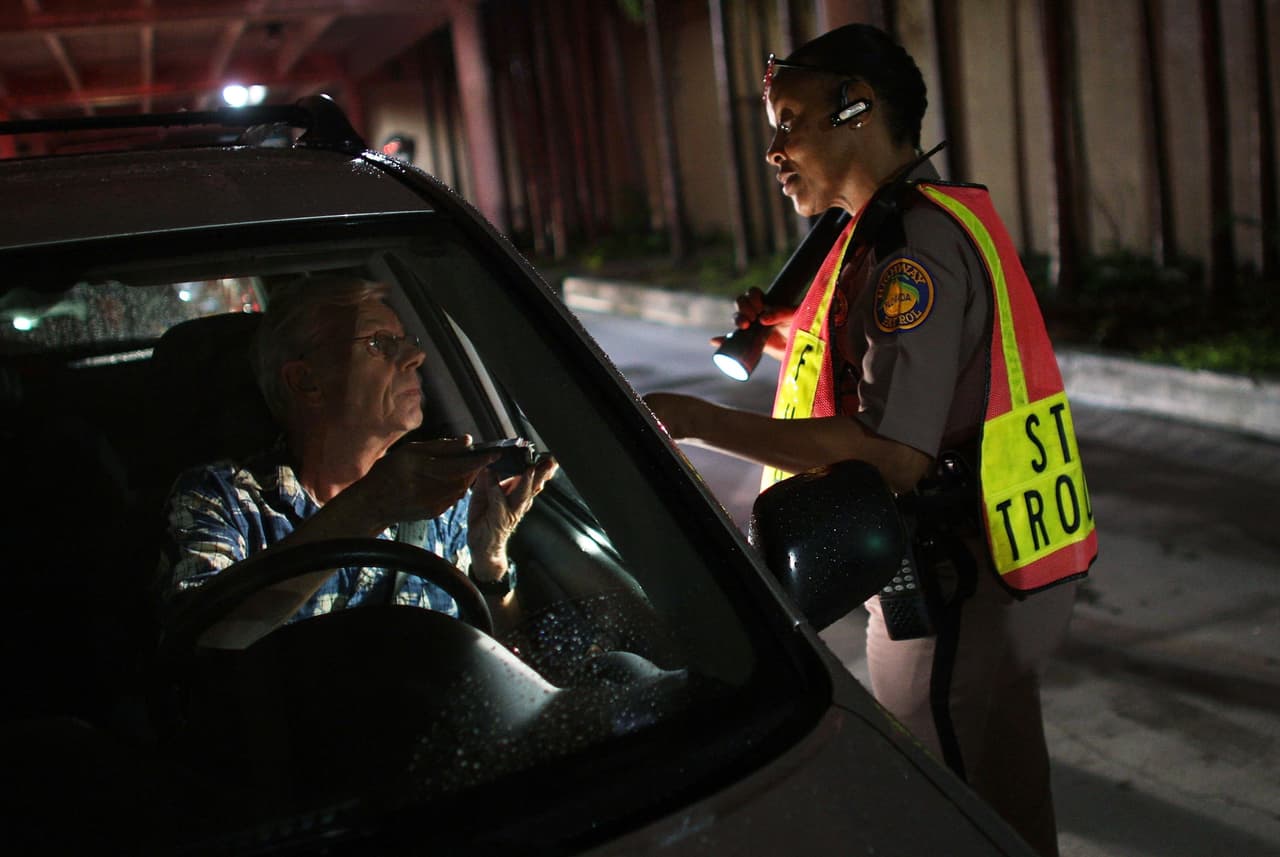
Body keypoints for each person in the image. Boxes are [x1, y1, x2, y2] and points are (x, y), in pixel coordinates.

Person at [644, 24, 1095, 857]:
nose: (775, 150)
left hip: (951, 586)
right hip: (985, 573)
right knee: (1006, 805)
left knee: (947, 817)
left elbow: (895, 450)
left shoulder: (908, 246)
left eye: (790, 121)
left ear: (857, 108)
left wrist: (700, 421)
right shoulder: (894, 226)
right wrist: (790, 332)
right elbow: (911, 368)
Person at [163, 274, 556, 650]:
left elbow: (507, 664)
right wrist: (371, 506)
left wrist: (489, 564)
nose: (416, 355)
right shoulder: (222, 497)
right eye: (380, 343)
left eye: (406, 340)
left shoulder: (443, 500)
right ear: (306, 381)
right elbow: (202, 643)